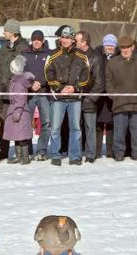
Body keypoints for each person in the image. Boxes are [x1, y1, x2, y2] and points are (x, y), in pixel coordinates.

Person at [45, 25, 90, 166]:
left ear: (73, 40)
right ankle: (55, 155)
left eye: (67, 38)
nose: (64, 40)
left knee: (76, 128)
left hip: (75, 98)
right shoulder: (52, 55)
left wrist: (75, 88)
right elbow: (48, 73)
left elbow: (86, 75)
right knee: (55, 128)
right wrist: (59, 87)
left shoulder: (82, 56)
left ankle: (75, 156)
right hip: (58, 98)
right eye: (62, 37)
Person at [106, 35, 137, 161]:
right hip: (119, 103)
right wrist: (112, 94)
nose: (125, 50)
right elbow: (108, 81)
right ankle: (118, 155)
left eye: (128, 47)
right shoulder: (112, 62)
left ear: (133, 47)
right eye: (123, 47)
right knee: (119, 132)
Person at [0, 19, 29, 160]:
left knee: (19, 120)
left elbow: (24, 67)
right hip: (4, 90)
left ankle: (23, 153)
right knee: (4, 121)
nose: (4, 33)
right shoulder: (3, 47)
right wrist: (0, 78)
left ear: (13, 32)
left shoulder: (24, 47)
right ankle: (3, 150)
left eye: (6, 30)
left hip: (17, 89)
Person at [75, 30, 104, 163]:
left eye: (77, 41)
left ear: (84, 42)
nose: (75, 43)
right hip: (75, 97)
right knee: (76, 127)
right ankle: (76, 152)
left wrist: (90, 98)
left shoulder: (96, 57)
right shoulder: (74, 55)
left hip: (89, 98)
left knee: (90, 127)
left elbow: (99, 82)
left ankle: (91, 154)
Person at [22, 30, 51, 161]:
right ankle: (27, 150)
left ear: (43, 41)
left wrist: (41, 83)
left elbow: (51, 72)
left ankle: (41, 151)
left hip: (44, 93)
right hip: (29, 94)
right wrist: (31, 84)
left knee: (46, 123)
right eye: (34, 39)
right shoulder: (24, 54)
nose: (37, 41)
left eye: (39, 39)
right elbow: (21, 73)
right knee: (26, 122)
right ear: (31, 40)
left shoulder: (49, 54)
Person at [4, 55, 35, 165]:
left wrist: (17, 111)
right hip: (16, 109)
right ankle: (18, 156)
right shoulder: (16, 80)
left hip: (19, 110)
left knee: (21, 136)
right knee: (16, 134)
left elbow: (20, 98)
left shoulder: (18, 82)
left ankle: (25, 157)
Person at [95, 34, 119, 158]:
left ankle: (110, 150)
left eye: (111, 45)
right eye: (107, 45)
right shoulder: (98, 57)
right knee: (98, 124)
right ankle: (97, 150)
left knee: (111, 124)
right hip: (100, 94)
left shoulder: (118, 58)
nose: (109, 47)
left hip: (112, 95)